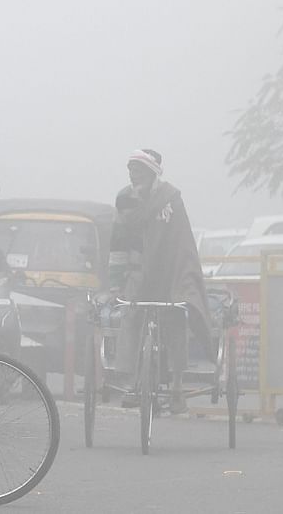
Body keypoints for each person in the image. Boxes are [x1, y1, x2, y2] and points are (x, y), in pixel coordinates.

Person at [107, 149, 212, 414]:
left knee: (175, 321)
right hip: (137, 271)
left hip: (167, 273)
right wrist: (115, 282)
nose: (133, 175)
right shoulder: (124, 198)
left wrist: (184, 276)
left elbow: (182, 240)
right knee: (130, 318)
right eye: (130, 170)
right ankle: (131, 382)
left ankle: (177, 385)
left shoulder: (171, 199)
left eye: (139, 170)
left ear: (152, 172)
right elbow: (118, 241)